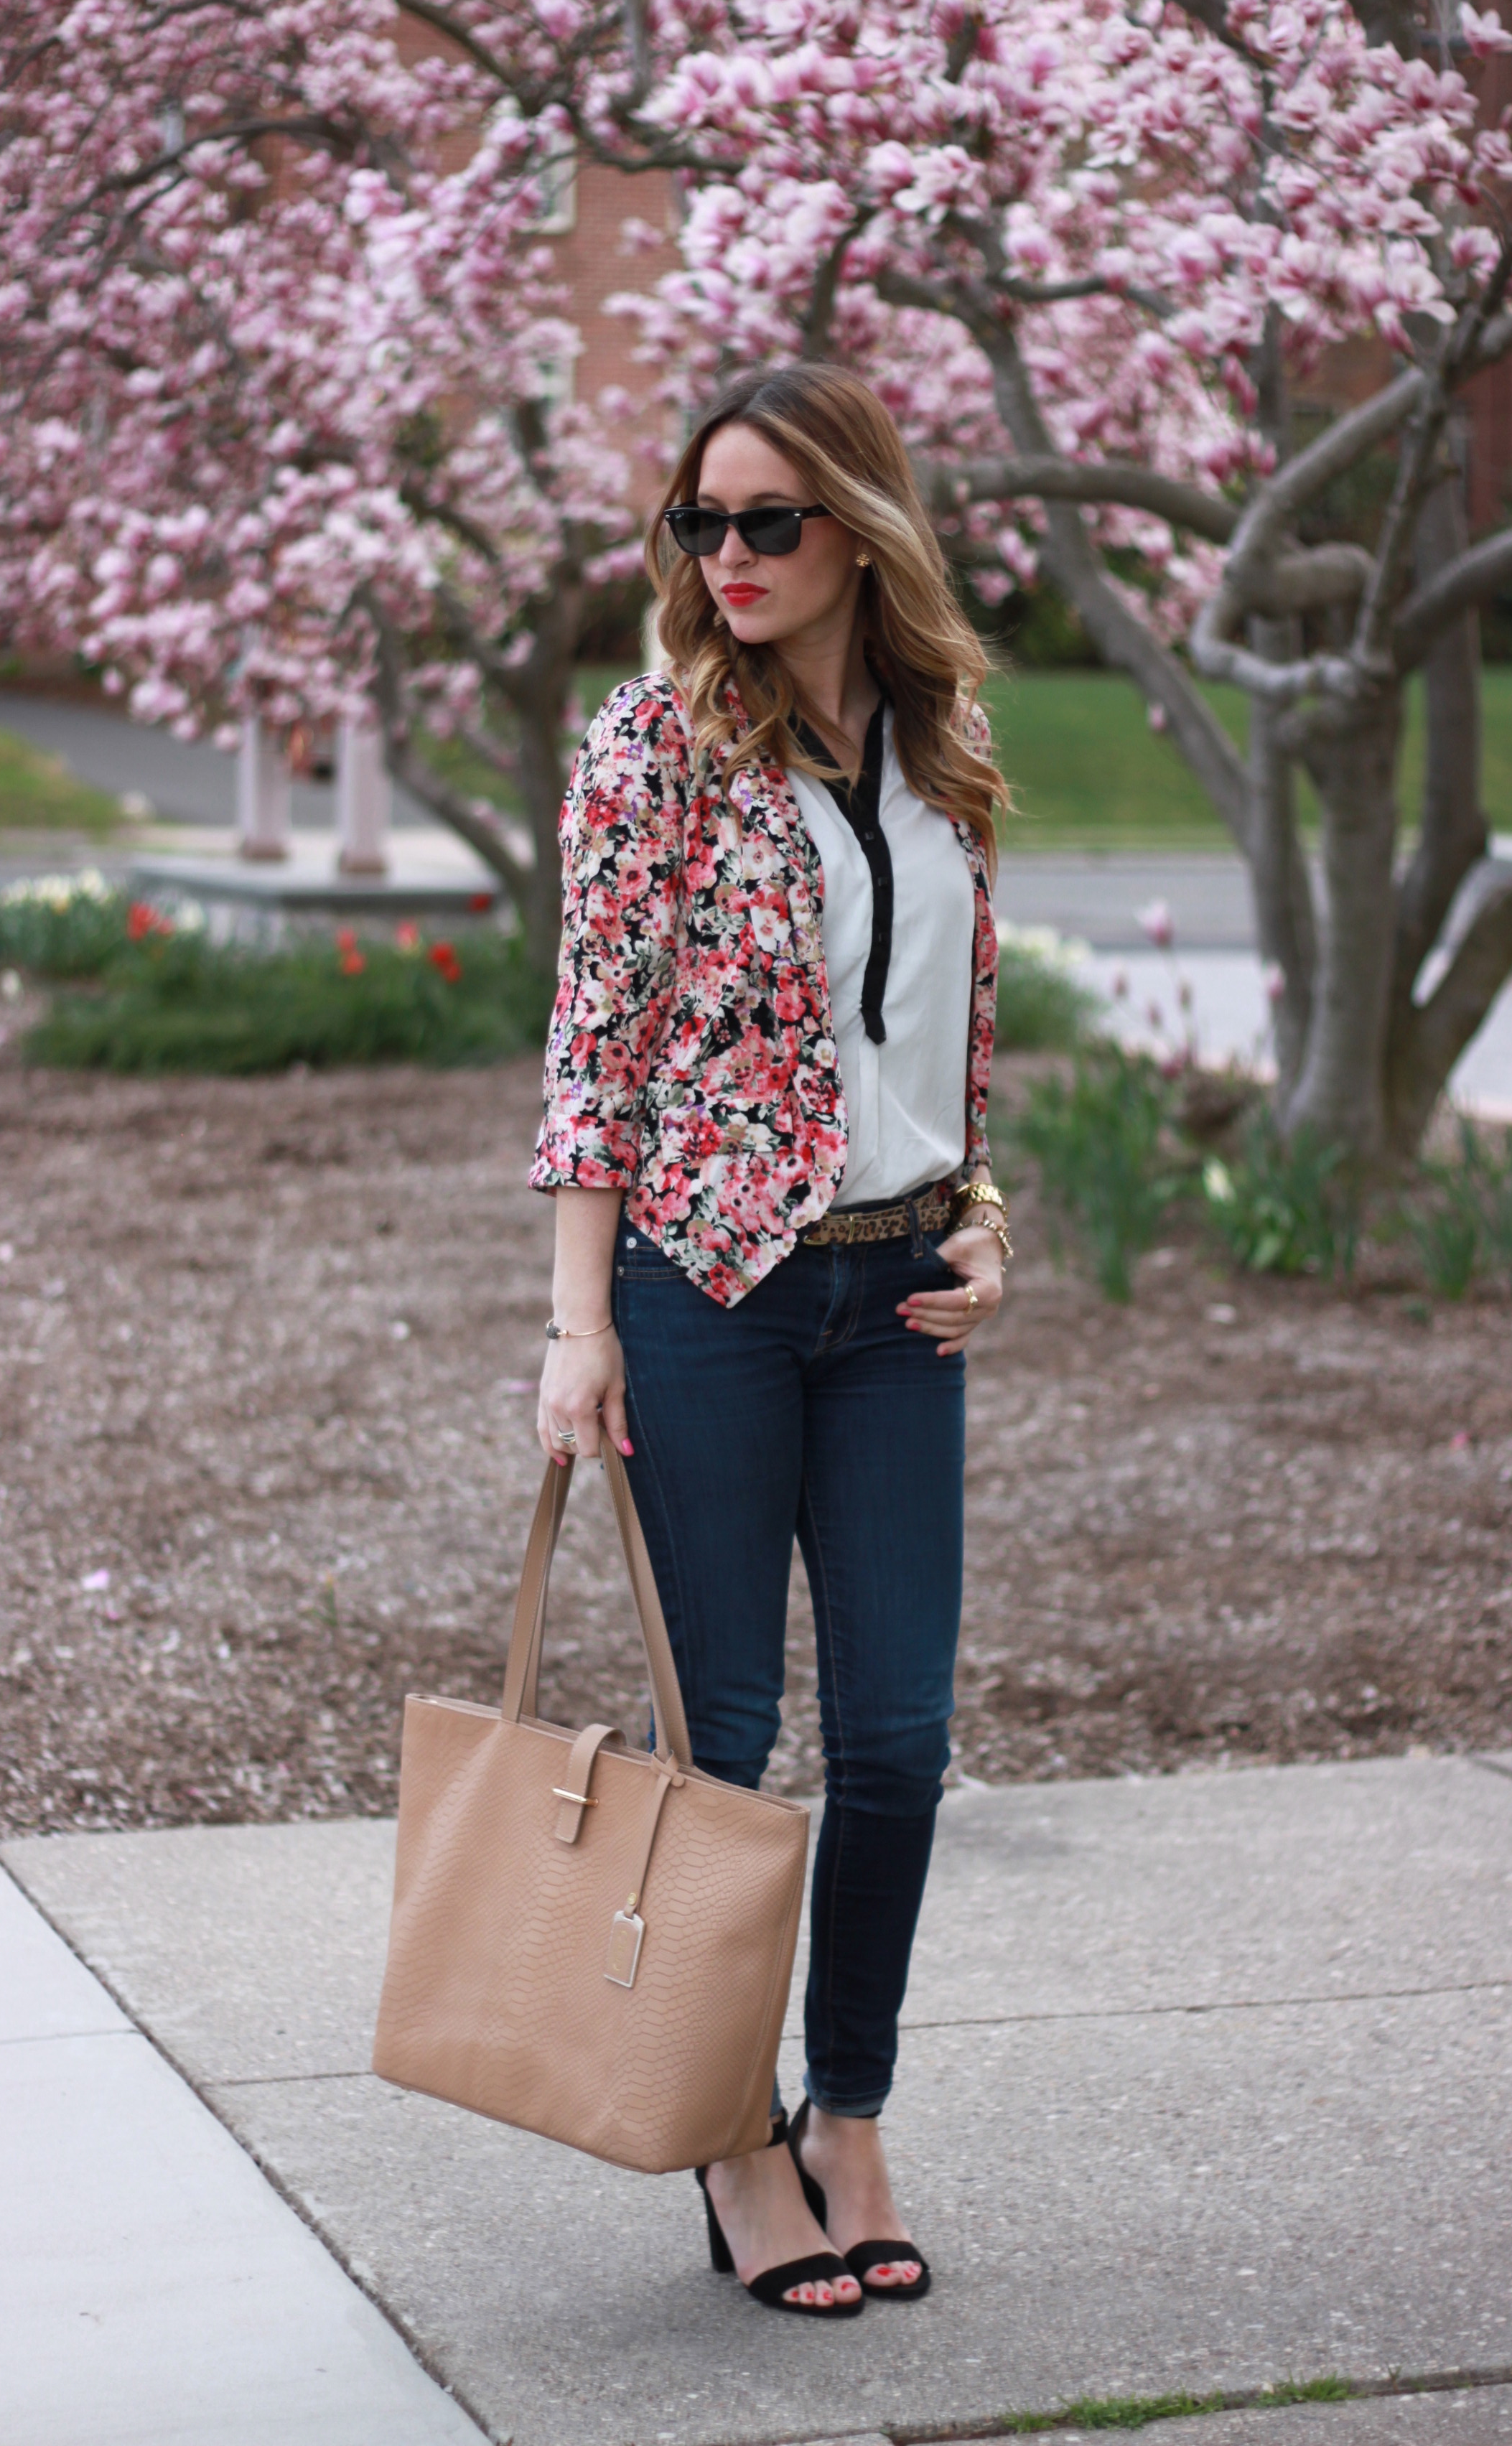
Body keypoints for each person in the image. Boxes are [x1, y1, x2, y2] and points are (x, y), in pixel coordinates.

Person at [531, 363, 1012, 2318]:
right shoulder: (656, 744)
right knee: (723, 1752)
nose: (726, 558)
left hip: (899, 1299)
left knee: (896, 1742)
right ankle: (735, 2139)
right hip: (705, 1296)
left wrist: (985, 1214)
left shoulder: (945, 740)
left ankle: (854, 2116)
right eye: (698, 526)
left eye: (767, 524)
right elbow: (597, 1050)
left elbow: (949, 1035)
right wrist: (579, 1329)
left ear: (857, 532)